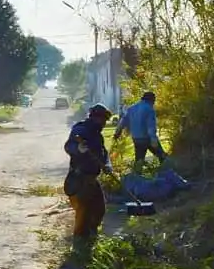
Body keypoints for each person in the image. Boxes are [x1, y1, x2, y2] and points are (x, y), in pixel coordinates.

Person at [63, 103, 113, 241]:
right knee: (83, 213)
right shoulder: (81, 129)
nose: (104, 123)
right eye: (103, 120)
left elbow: (103, 152)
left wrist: (107, 165)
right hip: (79, 179)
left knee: (99, 209)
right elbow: (69, 146)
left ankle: (91, 236)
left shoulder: (97, 135)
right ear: (95, 118)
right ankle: (79, 243)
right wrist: (78, 148)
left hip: (92, 179)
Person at [114, 91, 167, 173]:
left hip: (136, 138)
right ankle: (167, 174)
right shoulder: (149, 109)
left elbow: (123, 122)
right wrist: (153, 139)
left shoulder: (131, 108)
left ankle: (136, 177)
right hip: (147, 138)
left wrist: (117, 132)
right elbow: (150, 126)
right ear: (152, 100)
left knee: (139, 161)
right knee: (162, 156)